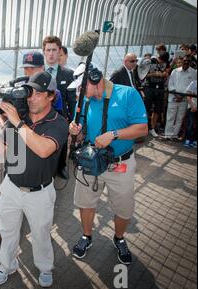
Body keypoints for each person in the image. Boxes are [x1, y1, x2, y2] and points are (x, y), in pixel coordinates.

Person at [0, 71, 68, 287]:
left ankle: (44, 268)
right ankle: (7, 265)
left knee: (41, 234)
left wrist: (16, 122)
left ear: (51, 95)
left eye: (37, 93)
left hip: (40, 192)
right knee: (7, 231)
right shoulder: (19, 119)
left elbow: (43, 149)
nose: (30, 97)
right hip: (11, 187)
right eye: (28, 92)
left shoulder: (58, 123)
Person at [68, 65, 148, 265]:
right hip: (90, 162)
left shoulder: (128, 94)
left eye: (80, 87)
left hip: (120, 165)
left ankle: (119, 238)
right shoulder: (86, 101)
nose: (79, 93)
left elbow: (142, 128)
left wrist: (113, 134)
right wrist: (76, 131)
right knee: (85, 202)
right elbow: (82, 133)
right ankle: (87, 236)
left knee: (123, 207)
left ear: (94, 80)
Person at [43, 36, 76, 179]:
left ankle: (61, 167)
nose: (51, 53)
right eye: (48, 50)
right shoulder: (38, 73)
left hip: (61, 118)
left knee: (61, 145)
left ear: (59, 51)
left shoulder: (68, 74)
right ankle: (45, 169)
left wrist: (74, 120)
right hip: (42, 118)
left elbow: (72, 101)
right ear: (44, 52)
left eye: (54, 50)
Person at [163, 55, 197, 140]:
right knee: (170, 117)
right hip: (173, 98)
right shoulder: (175, 71)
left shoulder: (194, 73)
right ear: (182, 61)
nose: (186, 62)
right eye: (184, 60)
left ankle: (174, 135)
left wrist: (182, 97)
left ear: (190, 62)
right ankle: (167, 135)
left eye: (188, 61)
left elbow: (192, 87)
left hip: (185, 99)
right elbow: (171, 84)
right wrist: (177, 95)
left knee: (180, 118)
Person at [20, 51, 64, 115]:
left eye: (32, 68)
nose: (28, 71)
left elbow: (58, 117)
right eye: (26, 68)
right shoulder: (19, 89)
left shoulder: (53, 92)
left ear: (42, 67)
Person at [144, 51, 169, 137]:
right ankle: (144, 127)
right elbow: (143, 75)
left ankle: (152, 128)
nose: (162, 63)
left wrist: (164, 74)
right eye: (161, 61)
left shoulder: (166, 62)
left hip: (160, 89)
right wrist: (154, 74)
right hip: (150, 87)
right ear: (159, 58)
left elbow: (167, 71)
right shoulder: (151, 61)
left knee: (157, 110)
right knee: (147, 108)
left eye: (163, 62)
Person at [184, 79, 197, 148]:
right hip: (192, 107)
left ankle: (194, 141)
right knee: (190, 124)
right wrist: (192, 105)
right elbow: (188, 95)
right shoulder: (193, 83)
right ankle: (187, 140)